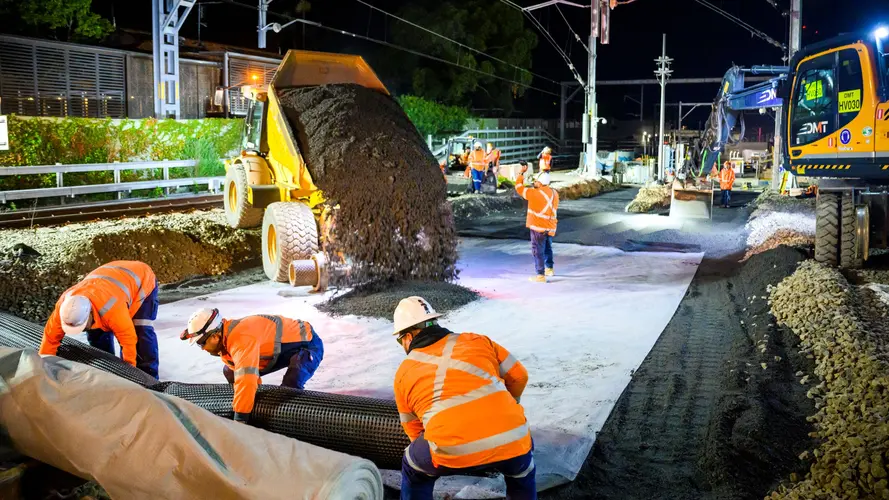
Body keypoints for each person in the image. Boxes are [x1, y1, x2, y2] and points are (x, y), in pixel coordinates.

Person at [392, 296, 535, 499]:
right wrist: (510, 405)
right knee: (523, 472)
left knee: (412, 467)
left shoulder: (403, 373)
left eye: (400, 340)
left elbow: (412, 427)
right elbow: (520, 376)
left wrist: (442, 446)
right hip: (512, 439)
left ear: (407, 337)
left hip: (449, 447)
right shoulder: (478, 340)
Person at [180, 309, 324, 423]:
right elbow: (247, 377)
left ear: (214, 336)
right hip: (280, 350)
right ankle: (252, 408)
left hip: (308, 345)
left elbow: (246, 379)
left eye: (201, 343)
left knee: (289, 386)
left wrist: (240, 421)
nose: (203, 348)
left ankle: (290, 422)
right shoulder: (225, 339)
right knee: (230, 371)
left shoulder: (241, 339)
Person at [40, 261, 159, 378]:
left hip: (141, 278)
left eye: (82, 326)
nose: (81, 330)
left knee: (141, 332)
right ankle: (106, 369)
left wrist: (128, 373)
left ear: (90, 313)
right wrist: (44, 365)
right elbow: (50, 339)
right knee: (96, 333)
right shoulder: (65, 308)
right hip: (109, 277)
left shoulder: (113, 311)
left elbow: (128, 342)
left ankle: (149, 378)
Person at [516, 163, 559, 282]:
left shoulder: (534, 193)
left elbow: (519, 187)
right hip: (550, 227)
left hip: (538, 227)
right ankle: (549, 268)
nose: (534, 183)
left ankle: (540, 275)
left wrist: (521, 173)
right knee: (547, 248)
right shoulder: (555, 193)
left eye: (535, 181)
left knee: (537, 250)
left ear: (539, 183)